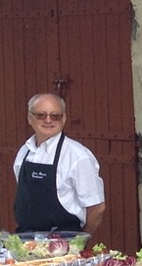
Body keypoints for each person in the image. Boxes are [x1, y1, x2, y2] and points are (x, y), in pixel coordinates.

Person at [11, 92, 106, 234]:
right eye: (41, 115)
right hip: (25, 238)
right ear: (30, 118)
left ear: (64, 119)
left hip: (62, 241)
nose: (48, 120)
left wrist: (79, 239)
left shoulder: (78, 156)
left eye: (55, 116)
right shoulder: (24, 152)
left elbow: (97, 208)